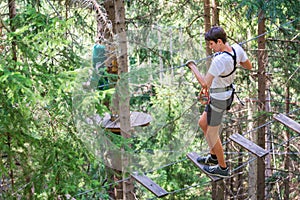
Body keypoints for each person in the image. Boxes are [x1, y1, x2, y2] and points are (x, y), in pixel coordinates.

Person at [186, 26, 252, 177]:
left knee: (212, 134)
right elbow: (248, 65)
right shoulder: (237, 49)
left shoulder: (219, 60)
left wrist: (192, 66)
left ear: (220, 41)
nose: (210, 47)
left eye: (211, 44)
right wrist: (233, 64)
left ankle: (222, 168)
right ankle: (214, 156)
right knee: (203, 123)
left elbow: (205, 84)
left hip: (218, 100)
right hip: (226, 94)